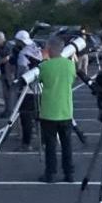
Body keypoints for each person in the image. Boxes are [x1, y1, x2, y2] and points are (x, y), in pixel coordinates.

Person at [37, 37, 77, 183]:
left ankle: (50, 173)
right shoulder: (70, 65)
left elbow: (40, 80)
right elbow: (72, 80)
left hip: (49, 111)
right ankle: (69, 173)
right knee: (67, 144)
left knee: (50, 145)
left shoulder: (44, 66)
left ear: (50, 49)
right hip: (65, 110)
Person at [14, 30, 43, 151]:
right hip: (40, 87)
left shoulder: (23, 53)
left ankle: (26, 143)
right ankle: (44, 142)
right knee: (40, 117)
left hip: (27, 89)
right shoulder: (38, 50)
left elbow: (21, 71)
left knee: (26, 117)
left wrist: (17, 83)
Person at [0, 31, 15, 117]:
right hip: (5, 71)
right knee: (6, 93)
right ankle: (8, 110)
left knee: (9, 93)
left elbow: (7, 58)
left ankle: (10, 111)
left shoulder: (7, 46)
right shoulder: (2, 46)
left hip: (8, 72)